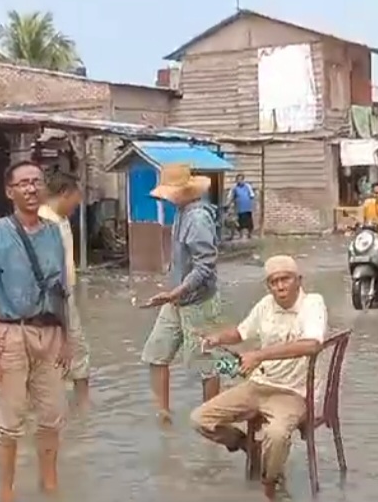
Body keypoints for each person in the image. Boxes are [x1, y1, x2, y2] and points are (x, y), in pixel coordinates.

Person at [191, 255, 327, 500]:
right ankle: (249, 446)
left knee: (276, 434)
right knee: (200, 419)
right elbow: (241, 332)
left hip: (294, 392)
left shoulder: (313, 304)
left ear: (299, 280)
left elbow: (312, 345)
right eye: (274, 282)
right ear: (268, 286)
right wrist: (217, 338)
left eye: (285, 279)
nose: (280, 286)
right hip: (259, 384)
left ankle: (269, 485)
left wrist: (259, 355)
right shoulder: (265, 305)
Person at [0, 161, 70, 502]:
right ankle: (6, 493)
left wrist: (68, 339)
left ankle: (51, 487)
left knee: (52, 417)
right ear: (9, 191)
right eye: (23, 183)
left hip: (50, 333)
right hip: (10, 334)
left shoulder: (54, 232)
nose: (31, 189)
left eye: (37, 182)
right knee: (9, 423)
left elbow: (62, 291)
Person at [138, 163, 221, 423]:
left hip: (198, 301)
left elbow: (205, 266)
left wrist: (176, 291)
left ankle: (210, 418)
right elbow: (181, 262)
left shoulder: (197, 218)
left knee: (207, 364)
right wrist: (171, 291)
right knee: (156, 353)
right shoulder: (182, 213)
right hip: (176, 299)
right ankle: (163, 414)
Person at [38, 172, 91, 408]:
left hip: (64, 294)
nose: (76, 207)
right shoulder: (43, 222)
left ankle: (81, 406)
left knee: (75, 349)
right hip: (52, 298)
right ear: (65, 194)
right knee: (65, 349)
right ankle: (73, 406)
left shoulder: (61, 220)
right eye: (75, 201)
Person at [228, 174, 256, 239]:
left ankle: (249, 234)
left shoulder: (247, 186)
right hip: (239, 208)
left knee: (249, 223)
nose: (239, 181)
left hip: (247, 208)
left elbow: (252, 195)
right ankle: (241, 235)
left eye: (241, 179)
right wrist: (229, 203)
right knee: (240, 222)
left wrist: (252, 205)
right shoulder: (234, 187)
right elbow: (231, 196)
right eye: (238, 179)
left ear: (243, 180)